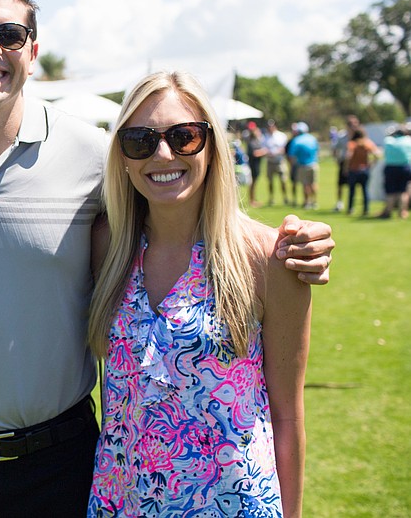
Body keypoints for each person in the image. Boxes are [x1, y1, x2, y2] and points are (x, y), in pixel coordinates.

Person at [0, 0, 334, 517]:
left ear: (33, 50)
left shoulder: (94, 154)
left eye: (11, 35)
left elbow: (183, 214)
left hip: (58, 461)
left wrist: (289, 244)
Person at [88, 71, 311, 517]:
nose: (163, 153)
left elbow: (287, 416)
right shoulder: (106, 246)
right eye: (140, 140)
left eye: (184, 136)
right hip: (121, 503)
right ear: (123, 157)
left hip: (234, 505)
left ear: (212, 147)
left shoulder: (267, 258)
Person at [345, 127, 381, 216]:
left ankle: (350, 209)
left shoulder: (352, 144)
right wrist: (371, 164)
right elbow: (377, 154)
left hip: (353, 170)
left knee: (352, 191)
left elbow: (348, 157)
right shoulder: (367, 144)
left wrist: (345, 168)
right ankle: (365, 210)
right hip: (364, 170)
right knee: (365, 190)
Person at [378, 125, 411, 219]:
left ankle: (388, 211)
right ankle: (402, 212)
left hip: (391, 168)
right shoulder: (408, 140)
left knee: (390, 191)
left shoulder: (388, 140)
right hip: (405, 168)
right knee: (403, 191)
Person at [287, 122, 320, 209]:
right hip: (314, 164)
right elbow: (317, 151)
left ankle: (307, 202)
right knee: (313, 183)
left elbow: (291, 155)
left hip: (302, 165)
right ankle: (315, 201)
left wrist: (292, 165)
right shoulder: (313, 138)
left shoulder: (296, 140)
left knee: (305, 184)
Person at [332, 115, 359, 211]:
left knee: (353, 185)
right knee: (341, 184)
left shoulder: (359, 135)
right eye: (352, 124)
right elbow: (335, 148)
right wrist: (336, 159)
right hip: (343, 162)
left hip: (355, 163)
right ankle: (339, 203)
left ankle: (351, 205)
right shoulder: (342, 136)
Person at [264, 119, 291, 206]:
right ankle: (271, 198)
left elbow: (284, 148)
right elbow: (264, 148)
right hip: (270, 161)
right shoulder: (265, 137)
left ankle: (285, 198)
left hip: (280, 161)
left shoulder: (281, 136)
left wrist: (277, 152)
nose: (270, 128)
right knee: (270, 181)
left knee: (283, 180)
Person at [244, 120, 266, 206]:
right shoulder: (251, 141)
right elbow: (255, 153)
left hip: (256, 164)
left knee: (254, 182)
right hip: (253, 164)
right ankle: (252, 200)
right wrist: (264, 151)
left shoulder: (256, 139)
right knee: (252, 183)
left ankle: (253, 199)